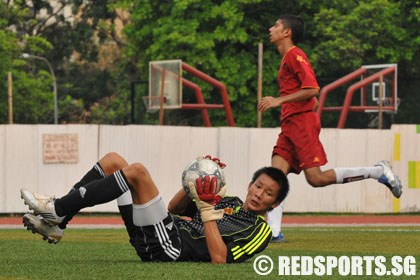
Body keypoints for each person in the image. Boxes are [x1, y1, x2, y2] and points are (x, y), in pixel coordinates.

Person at [258, 14, 402, 243]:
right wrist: (299, 105)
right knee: (274, 176)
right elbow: (311, 97)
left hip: (300, 125)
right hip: (291, 125)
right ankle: (273, 232)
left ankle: (378, 172)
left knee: (316, 179)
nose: (270, 28)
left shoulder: (295, 55)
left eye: (275, 25)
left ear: (287, 32)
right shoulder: (287, 58)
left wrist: (278, 100)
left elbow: (313, 89)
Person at [20, 153, 289, 263]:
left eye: (268, 194)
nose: (259, 194)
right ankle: (58, 223)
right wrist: (194, 181)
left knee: (137, 172)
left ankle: (58, 210)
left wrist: (207, 208)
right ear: (250, 184)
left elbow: (221, 258)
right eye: (258, 186)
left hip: (171, 247)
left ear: (274, 204)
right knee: (115, 161)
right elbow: (174, 208)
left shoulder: (260, 232)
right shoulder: (229, 202)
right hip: (163, 230)